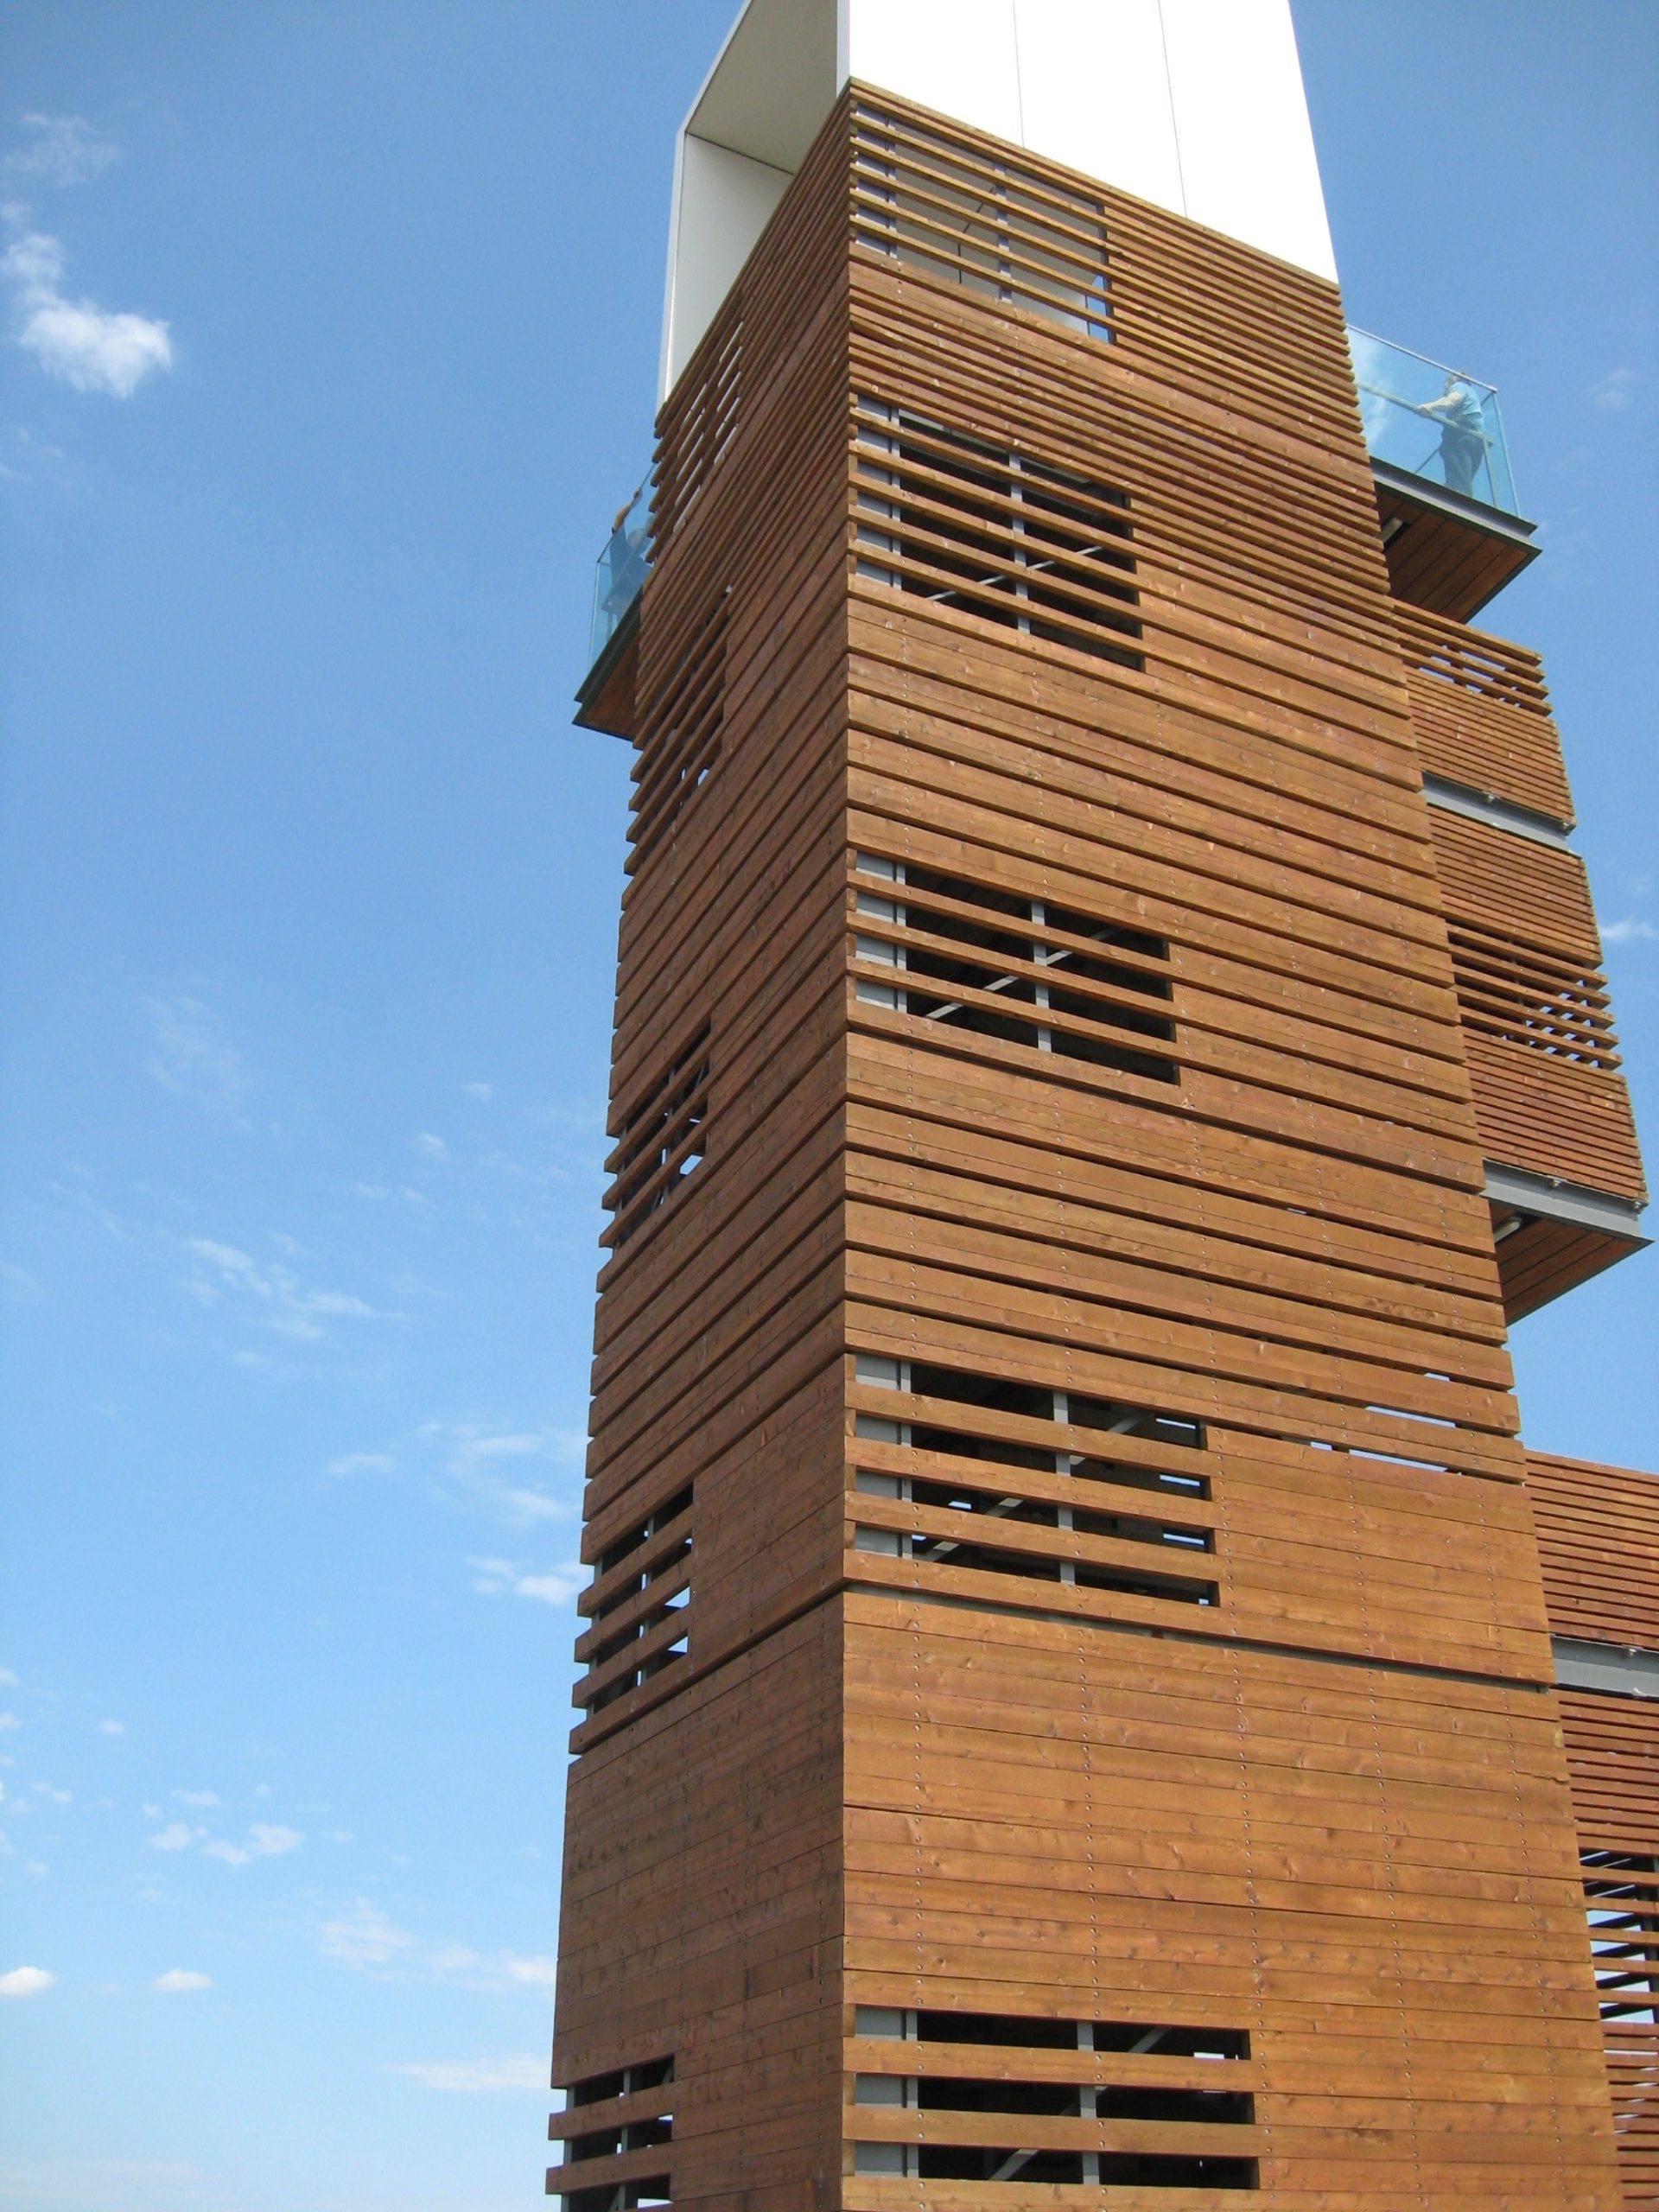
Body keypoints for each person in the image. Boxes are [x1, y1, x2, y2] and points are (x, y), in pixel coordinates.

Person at [1415, 373, 1488, 498]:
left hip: (1461, 435)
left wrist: (1430, 406)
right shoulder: (1471, 392)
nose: (1444, 387)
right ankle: (1454, 495)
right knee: (1461, 478)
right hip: (1475, 441)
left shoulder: (1459, 386)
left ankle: (1459, 504)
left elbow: (1452, 400)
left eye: (1446, 382)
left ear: (1451, 381)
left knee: (1459, 483)